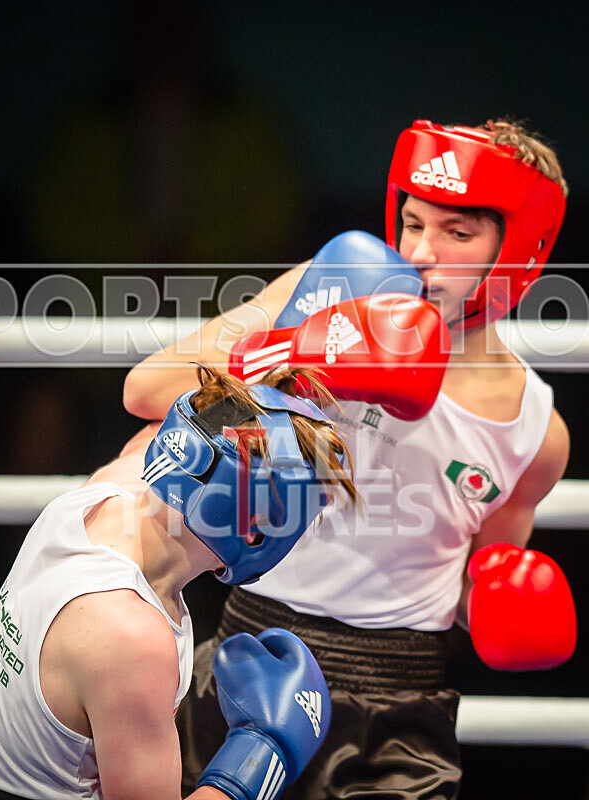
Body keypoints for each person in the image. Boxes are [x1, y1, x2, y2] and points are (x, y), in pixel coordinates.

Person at [122, 119, 577, 799]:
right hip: (253, 647)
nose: (422, 253)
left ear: (519, 250)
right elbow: (148, 388)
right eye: (413, 223)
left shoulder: (534, 434)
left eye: (457, 233)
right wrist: (298, 346)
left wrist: (495, 602)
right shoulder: (333, 288)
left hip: (396, 709)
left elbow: (474, 590)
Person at [0, 366, 360, 800]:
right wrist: (261, 758)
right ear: (255, 532)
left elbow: (164, 406)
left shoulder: (105, 493)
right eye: (303, 521)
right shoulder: (131, 635)